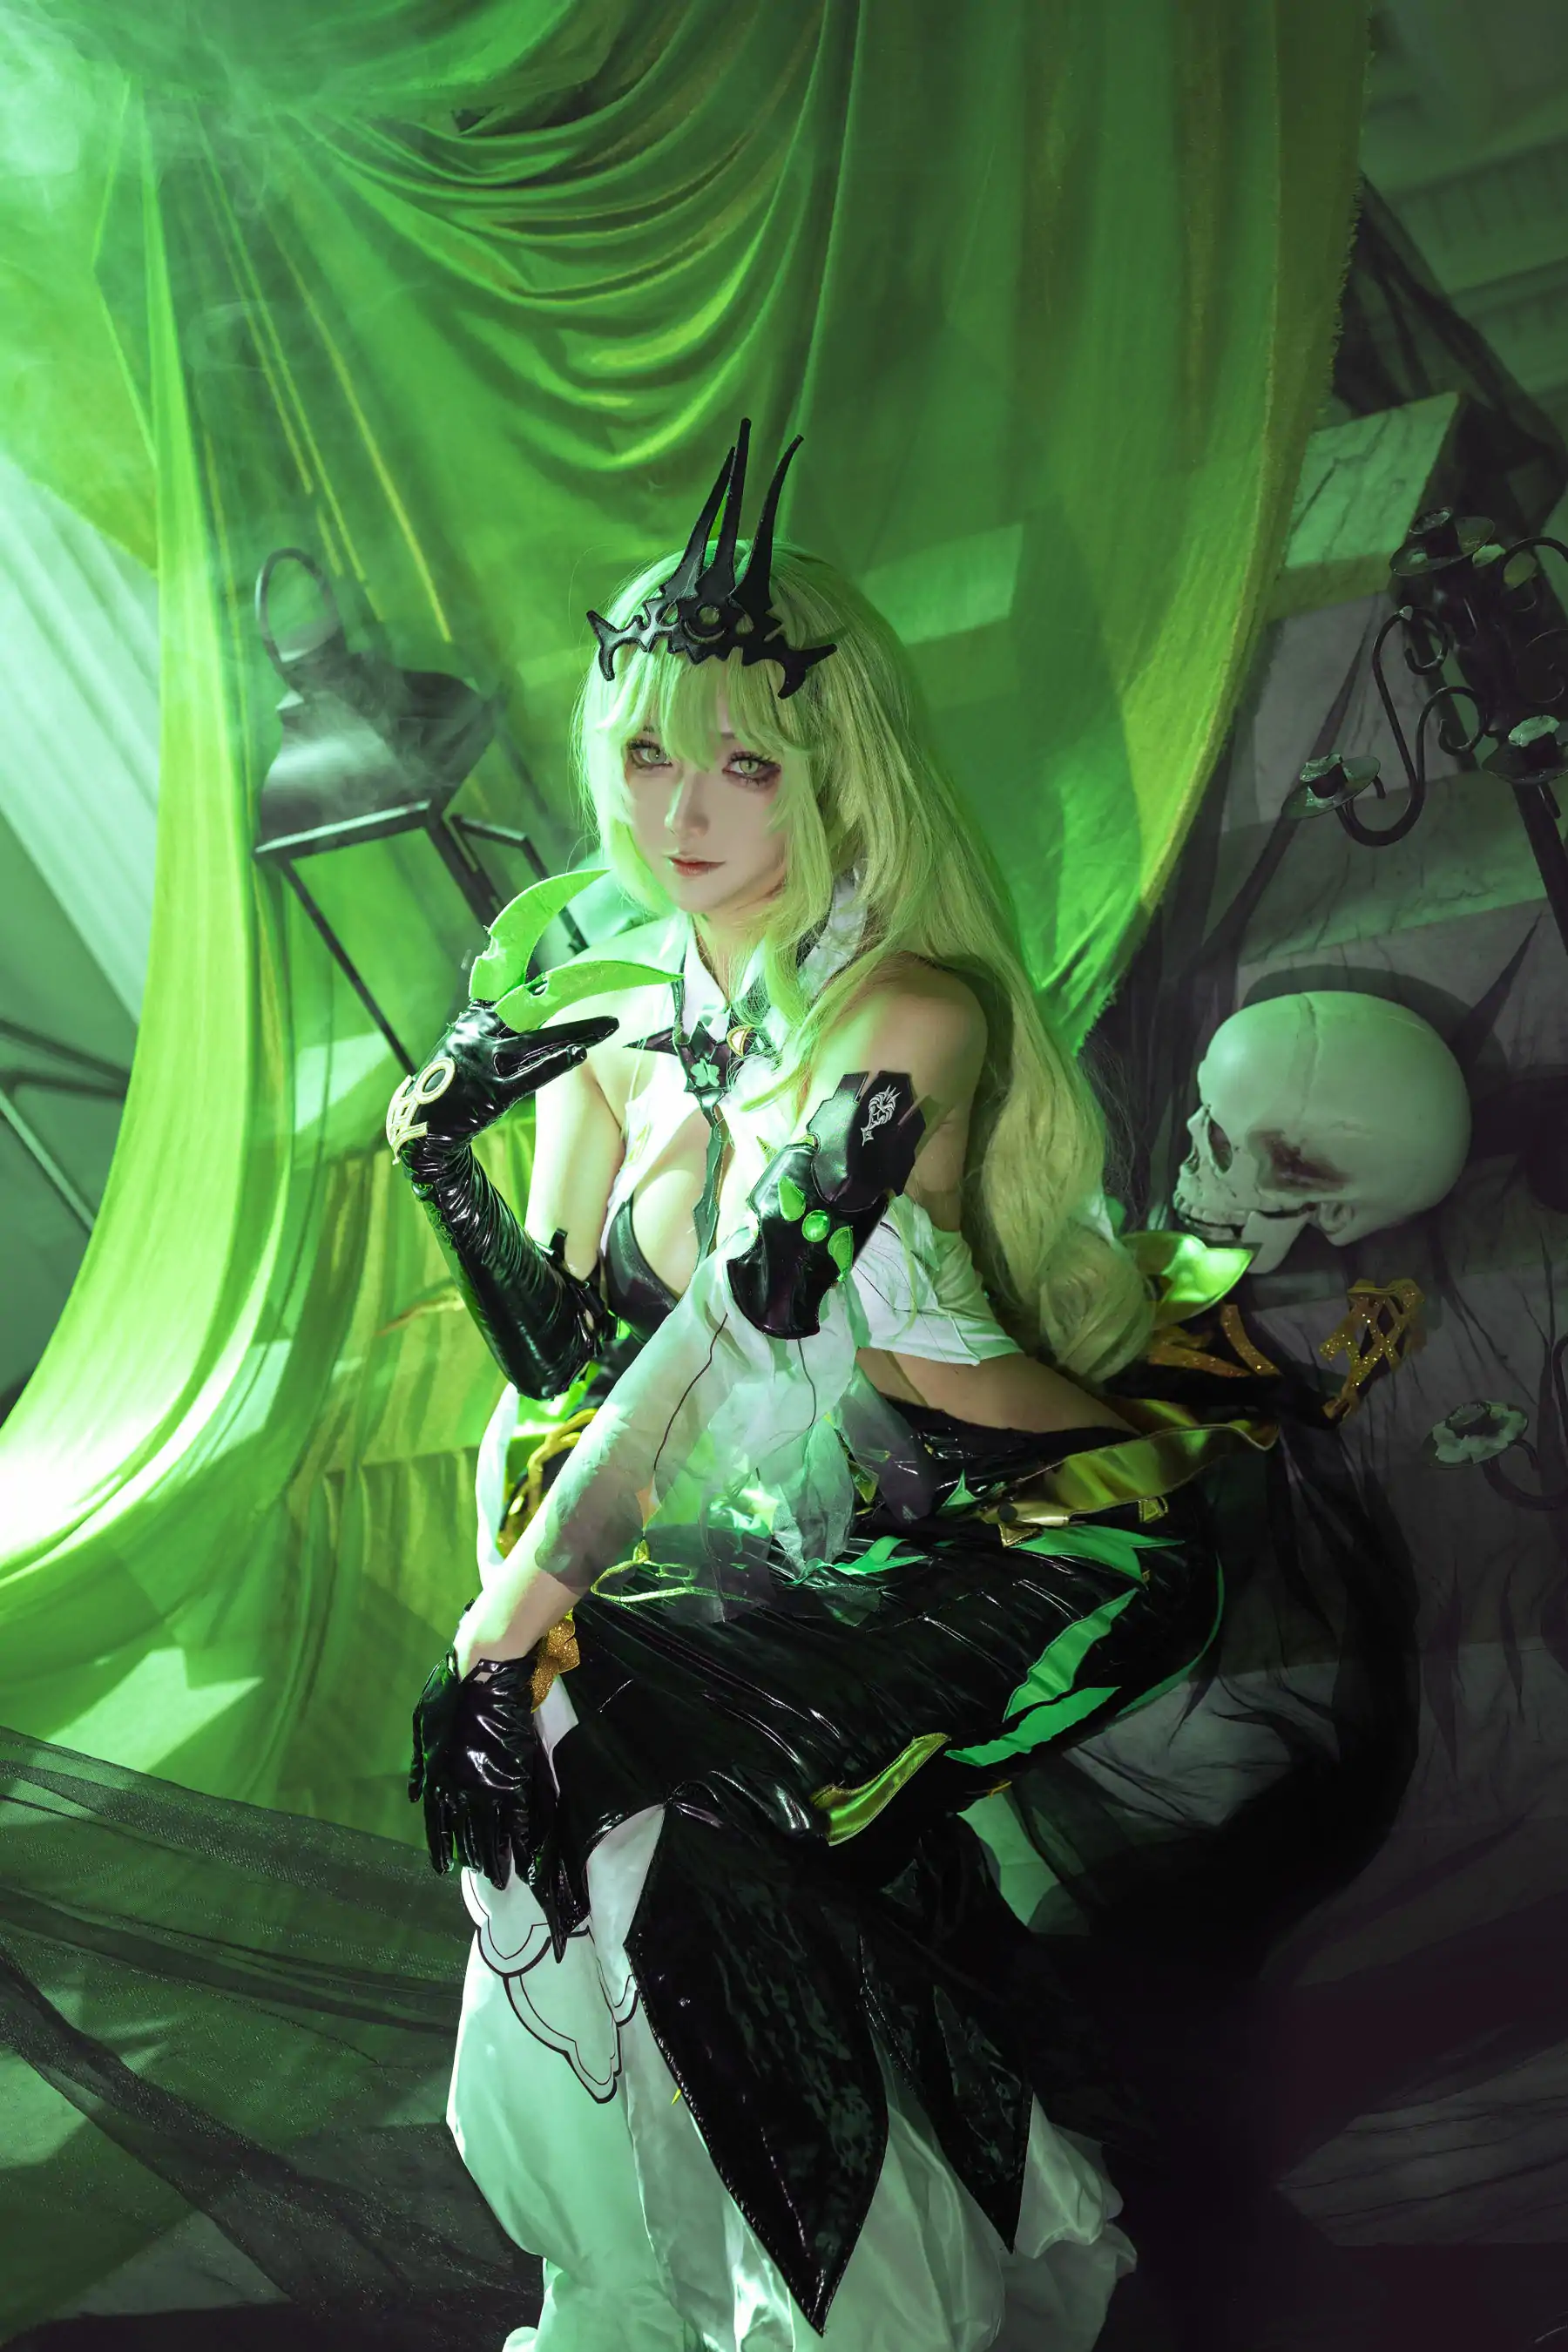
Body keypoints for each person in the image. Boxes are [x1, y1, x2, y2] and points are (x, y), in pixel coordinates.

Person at [389, 422, 1260, 2352]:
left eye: (745, 764)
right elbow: (578, 1358)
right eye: (646, 754)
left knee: (698, 1824)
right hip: (841, 1551)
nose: (680, 810)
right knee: (610, 1787)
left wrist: (529, 1589)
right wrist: (444, 1164)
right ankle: (817, 2276)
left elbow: (735, 1332)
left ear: (833, 770)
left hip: (1052, 1544)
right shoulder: (616, 1015)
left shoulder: (908, 1015)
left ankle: (848, 2320)